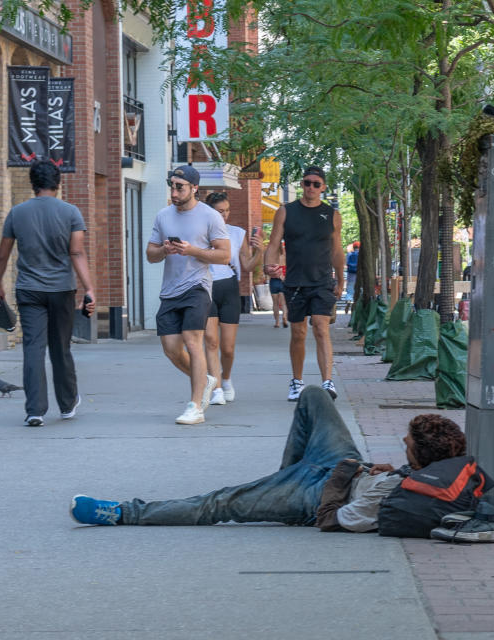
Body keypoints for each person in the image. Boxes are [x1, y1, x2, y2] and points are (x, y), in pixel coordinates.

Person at [69, 387, 466, 530]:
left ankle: (122, 512)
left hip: (316, 497)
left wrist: (340, 485)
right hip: (344, 465)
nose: (401, 442)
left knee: (219, 503)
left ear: (419, 455)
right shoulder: (418, 474)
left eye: (407, 443)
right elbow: (398, 478)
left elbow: (338, 520)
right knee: (314, 395)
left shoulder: (388, 497)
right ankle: (281, 480)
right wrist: (383, 469)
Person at [0, 160, 96, 427]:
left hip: (29, 290)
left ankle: (35, 410)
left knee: (33, 349)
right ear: (58, 183)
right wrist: (89, 288)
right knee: (61, 348)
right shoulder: (71, 212)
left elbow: (3, 254)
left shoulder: (17, 213)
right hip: (62, 289)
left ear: (32, 183)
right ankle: (68, 404)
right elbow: (77, 252)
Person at [147, 166, 231, 425]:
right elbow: (150, 254)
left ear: (194, 188)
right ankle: (205, 379)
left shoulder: (210, 216)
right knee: (171, 349)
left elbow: (224, 255)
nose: (174, 191)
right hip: (170, 290)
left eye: (179, 187)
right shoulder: (163, 216)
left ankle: (195, 406)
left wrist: (193, 250)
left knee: (193, 341)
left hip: (197, 287)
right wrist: (164, 250)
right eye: (171, 185)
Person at [264, 166, 345, 402]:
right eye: (307, 182)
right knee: (298, 332)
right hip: (295, 281)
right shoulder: (286, 211)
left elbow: (337, 250)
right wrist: (269, 266)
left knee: (321, 327)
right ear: (302, 184)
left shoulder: (332, 215)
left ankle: (327, 382)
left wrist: (340, 279)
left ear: (323, 187)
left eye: (316, 184)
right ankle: (297, 382)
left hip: (322, 281)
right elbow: (273, 243)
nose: (310, 187)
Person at [203, 192, 263, 405]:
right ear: (209, 211)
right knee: (211, 341)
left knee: (227, 348)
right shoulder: (199, 233)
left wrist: (259, 251)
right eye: (220, 211)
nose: (225, 215)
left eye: (227, 210)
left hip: (229, 288)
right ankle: (216, 388)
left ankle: (226, 379)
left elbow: (246, 266)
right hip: (205, 287)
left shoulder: (237, 233)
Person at [269, 240, 287, 328]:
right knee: (283, 303)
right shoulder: (285, 257)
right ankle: (284, 317)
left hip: (274, 281)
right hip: (283, 281)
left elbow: (268, 270)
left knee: (275, 303)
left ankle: (277, 322)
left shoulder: (272, 258)